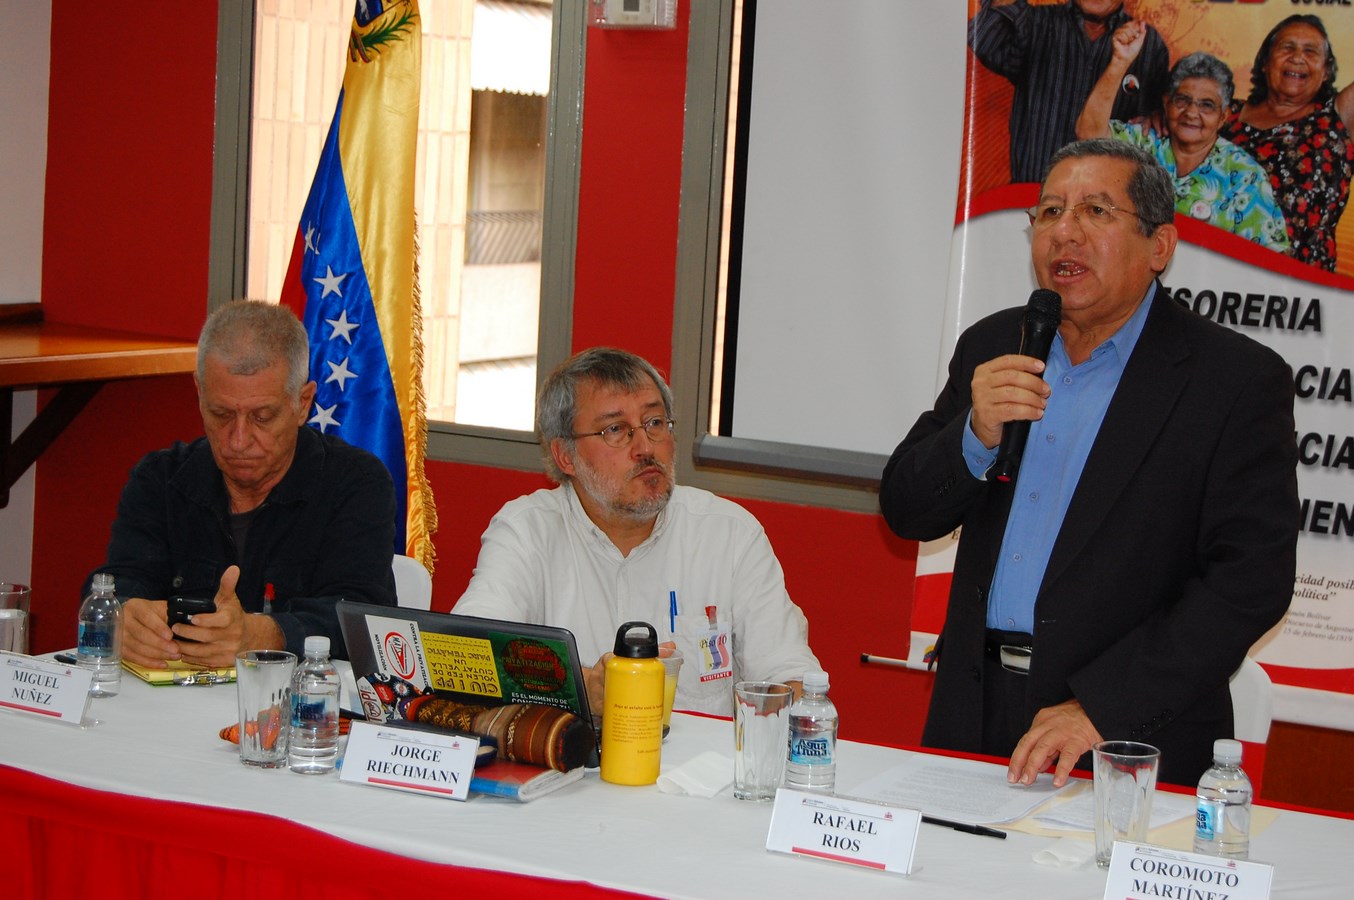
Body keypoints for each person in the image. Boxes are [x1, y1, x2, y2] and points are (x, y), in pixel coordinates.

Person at [878, 139, 1298, 788]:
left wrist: (1104, 706)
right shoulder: (996, 344)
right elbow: (906, 510)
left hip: (1123, 738)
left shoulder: (1233, 380)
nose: (1064, 232)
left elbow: (1250, 581)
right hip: (972, 711)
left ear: (1159, 246)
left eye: (1096, 211)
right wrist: (974, 434)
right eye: (1049, 212)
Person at [453, 347, 820, 715]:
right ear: (566, 456)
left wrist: (787, 706)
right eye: (615, 430)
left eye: (655, 423)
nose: (645, 448)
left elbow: (791, 677)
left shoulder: (730, 534)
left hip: (701, 754)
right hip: (571, 751)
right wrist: (582, 689)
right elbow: (467, 655)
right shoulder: (526, 531)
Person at [91, 301, 397, 667]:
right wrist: (124, 615)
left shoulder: (357, 484)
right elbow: (119, 582)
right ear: (199, 393)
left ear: (303, 403)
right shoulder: (159, 480)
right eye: (221, 414)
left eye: (262, 417)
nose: (238, 441)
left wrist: (264, 635)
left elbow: (362, 617)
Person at [1077, 37, 1289, 253]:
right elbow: (1089, 135)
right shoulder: (1143, 142)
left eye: (1207, 105)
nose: (1191, 112)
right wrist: (1119, 62)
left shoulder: (1245, 175)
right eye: (1182, 100)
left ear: (1223, 117)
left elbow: (1271, 259)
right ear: (1166, 103)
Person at [969, 0, 1168, 184]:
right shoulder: (1035, 23)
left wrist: (1160, 116)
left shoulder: (1149, 44)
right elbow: (984, 39)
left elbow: (1163, 124)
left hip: (1106, 201)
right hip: (1032, 195)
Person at [1219, 14, 1354, 272]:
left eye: (1310, 51)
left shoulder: (1338, 119)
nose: (1297, 57)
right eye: (1287, 47)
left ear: (1326, 71)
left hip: (1298, 286)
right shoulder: (1223, 115)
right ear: (1265, 63)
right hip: (1219, 274)